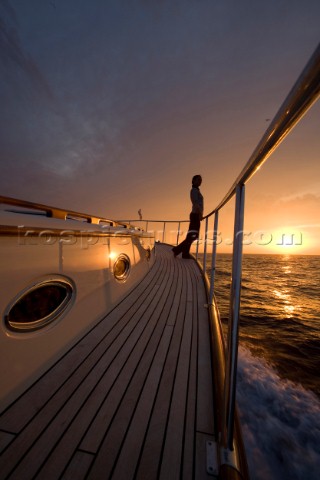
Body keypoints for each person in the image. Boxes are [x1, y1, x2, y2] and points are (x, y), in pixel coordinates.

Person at [172, 174, 204, 259]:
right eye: (198, 179)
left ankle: (185, 254)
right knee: (193, 236)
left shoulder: (197, 190)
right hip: (195, 215)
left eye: (201, 180)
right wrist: (200, 214)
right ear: (193, 181)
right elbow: (195, 203)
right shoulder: (194, 190)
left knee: (191, 236)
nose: (200, 181)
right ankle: (177, 250)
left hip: (196, 215)